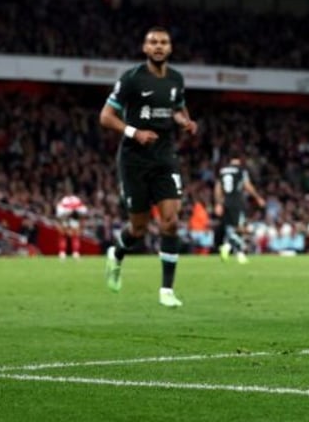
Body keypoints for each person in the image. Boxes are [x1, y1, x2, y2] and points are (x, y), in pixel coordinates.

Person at [99, 26, 198, 307]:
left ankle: (166, 290)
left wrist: (184, 122)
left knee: (170, 222)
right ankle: (116, 254)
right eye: (153, 42)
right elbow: (105, 116)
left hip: (165, 158)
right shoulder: (131, 79)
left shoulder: (176, 79)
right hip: (134, 160)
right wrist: (134, 132)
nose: (158, 46)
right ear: (145, 48)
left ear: (170, 48)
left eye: (163, 42)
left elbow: (178, 108)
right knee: (139, 228)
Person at [214, 155, 266, 263]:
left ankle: (230, 248)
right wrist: (258, 197)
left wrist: (218, 203)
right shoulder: (241, 170)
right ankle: (234, 250)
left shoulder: (223, 171)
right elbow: (247, 185)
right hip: (237, 201)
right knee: (239, 228)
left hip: (225, 202)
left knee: (231, 228)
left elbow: (218, 187)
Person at [55, 193, 87, 259]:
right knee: (63, 236)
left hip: (74, 219)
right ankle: (62, 252)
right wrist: (69, 211)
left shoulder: (75, 199)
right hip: (65, 219)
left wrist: (75, 211)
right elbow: (59, 211)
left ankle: (75, 252)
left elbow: (83, 210)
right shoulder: (64, 200)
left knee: (74, 237)